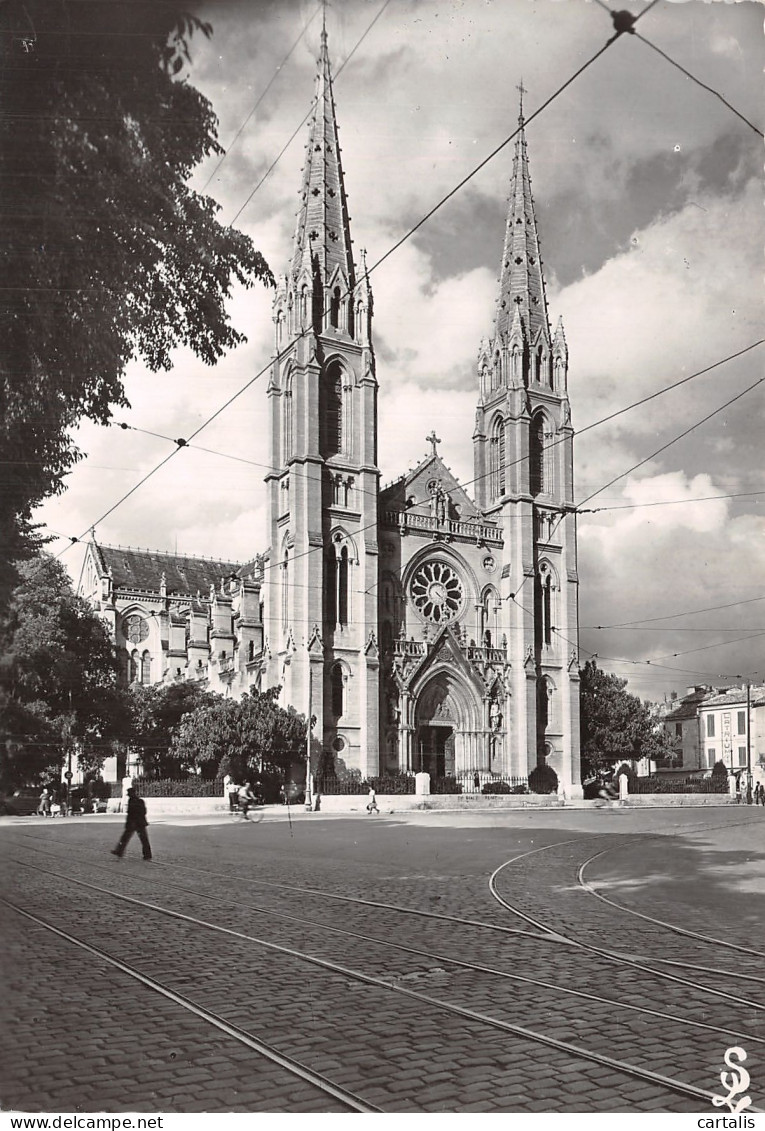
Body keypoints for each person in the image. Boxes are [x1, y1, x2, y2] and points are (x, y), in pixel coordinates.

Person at [111, 787, 152, 860]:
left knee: (125, 838)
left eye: (129, 794)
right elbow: (144, 812)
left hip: (134, 823)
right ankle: (147, 855)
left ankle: (119, 851)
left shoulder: (133, 801)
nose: (129, 795)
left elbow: (130, 813)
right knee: (143, 839)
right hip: (139, 823)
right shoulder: (140, 801)